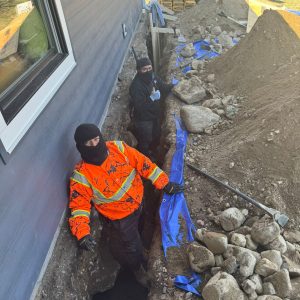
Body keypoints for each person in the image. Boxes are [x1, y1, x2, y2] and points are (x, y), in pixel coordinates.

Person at [69, 123, 183, 287]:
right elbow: (79, 207)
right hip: (120, 219)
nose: (95, 145)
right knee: (131, 247)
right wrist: (82, 233)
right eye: (89, 143)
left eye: (96, 139)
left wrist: (165, 184)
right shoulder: (81, 175)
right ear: (81, 147)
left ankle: (145, 250)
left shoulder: (119, 149)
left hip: (139, 203)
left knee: (142, 228)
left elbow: (143, 163)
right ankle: (138, 271)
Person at [129, 57, 173, 157]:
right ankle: (146, 158)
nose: (148, 71)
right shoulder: (136, 87)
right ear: (139, 70)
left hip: (155, 115)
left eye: (149, 68)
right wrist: (151, 98)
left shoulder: (153, 77)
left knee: (157, 135)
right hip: (143, 120)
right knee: (145, 140)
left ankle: (154, 151)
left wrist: (173, 86)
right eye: (144, 69)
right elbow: (139, 107)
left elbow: (163, 87)